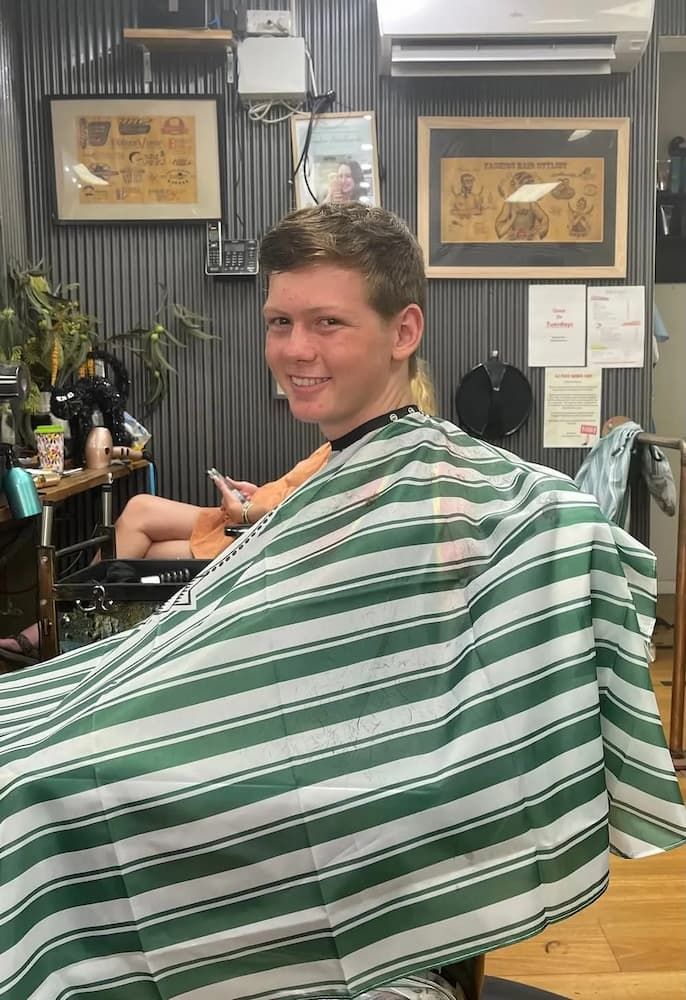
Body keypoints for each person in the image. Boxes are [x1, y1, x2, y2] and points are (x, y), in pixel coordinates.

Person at [0, 203, 684, 1000]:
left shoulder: (440, 483)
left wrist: (559, 523)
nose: (295, 349)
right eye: (280, 321)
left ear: (404, 331)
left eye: (328, 322)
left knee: (36, 794)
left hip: (337, 781)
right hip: (258, 730)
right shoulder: (338, 468)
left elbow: (563, 527)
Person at [0, 364, 436, 667]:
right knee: (144, 527)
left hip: (256, 534)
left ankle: (61, 622)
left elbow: (305, 510)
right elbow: (295, 491)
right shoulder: (352, 443)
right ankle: (66, 623)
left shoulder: (365, 451)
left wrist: (245, 509)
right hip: (252, 520)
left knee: (141, 523)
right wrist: (256, 493)